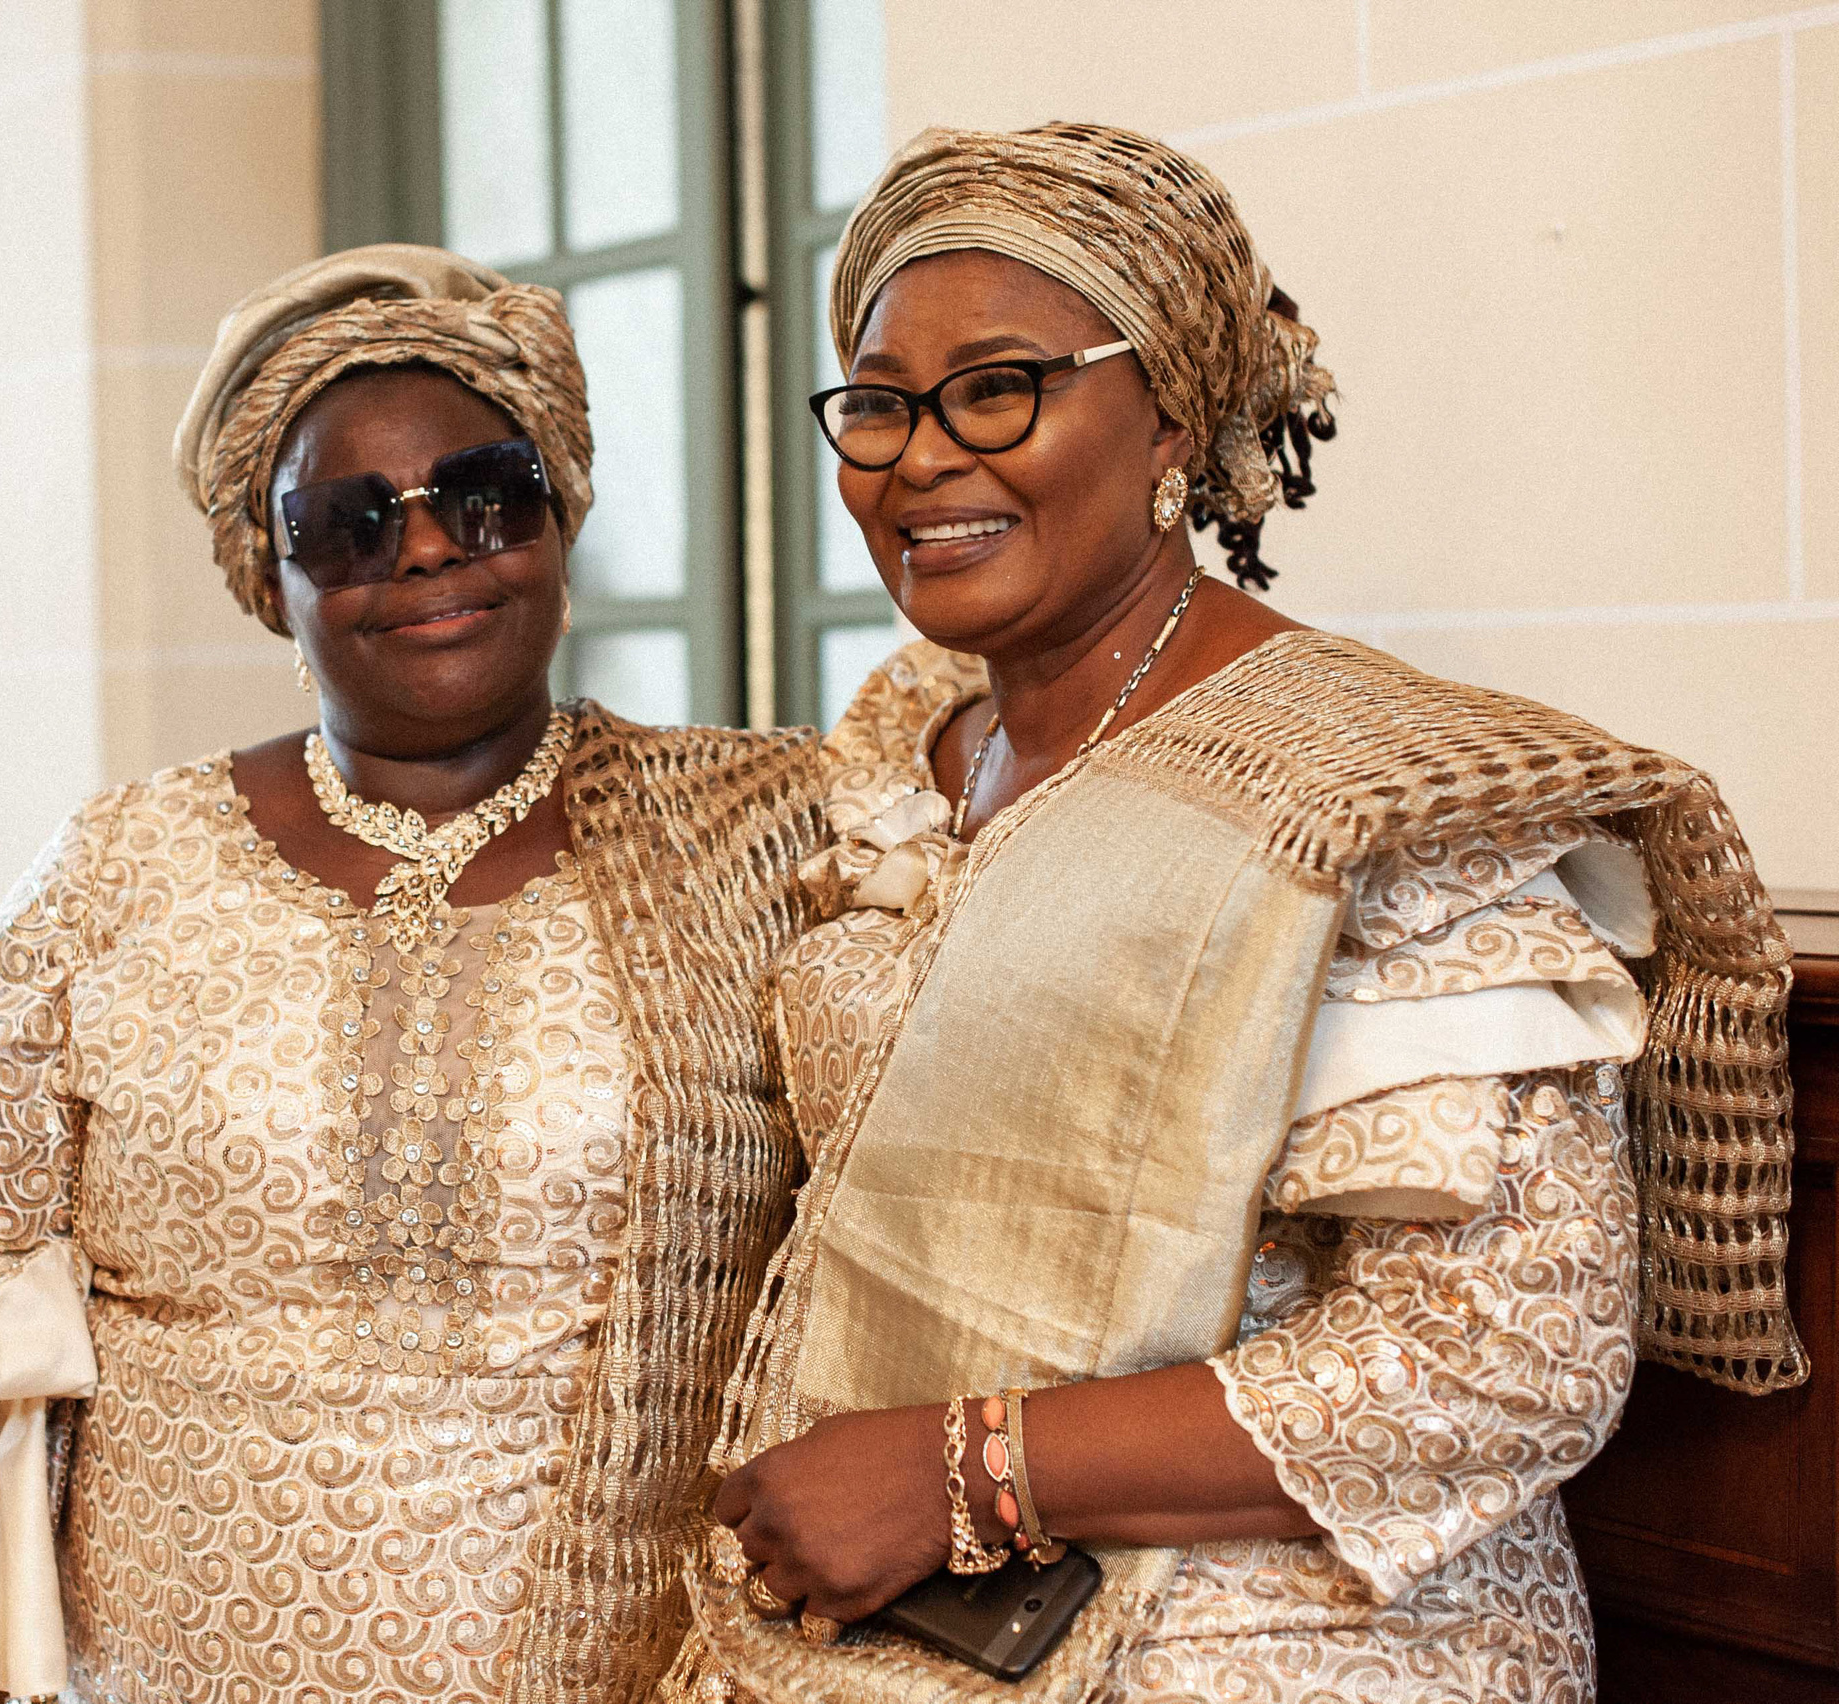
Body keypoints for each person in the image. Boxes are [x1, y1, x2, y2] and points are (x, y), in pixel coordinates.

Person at [667, 124, 1801, 1703]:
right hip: (909, 1617)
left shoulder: (1364, 791)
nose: (921, 456)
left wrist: (956, 1475)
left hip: (1275, 1642)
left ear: (1173, 419)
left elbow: (1502, 1355)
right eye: (876, 403)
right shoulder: (906, 749)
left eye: (999, 387)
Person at [0, 244, 827, 1703]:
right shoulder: (120, 867)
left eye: (484, 494)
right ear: (272, 577)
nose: (430, 550)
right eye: (348, 524)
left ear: (560, 515)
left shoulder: (762, 840)